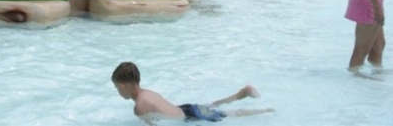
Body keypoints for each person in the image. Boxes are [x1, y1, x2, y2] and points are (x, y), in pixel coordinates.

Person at [111, 62, 273, 123]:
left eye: (117, 88)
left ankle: (264, 111)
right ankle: (241, 94)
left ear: (123, 86)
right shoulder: (148, 93)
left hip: (188, 117)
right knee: (212, 106)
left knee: (228, 115)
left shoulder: (139, 107)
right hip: (186, 108)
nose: (118, 91)